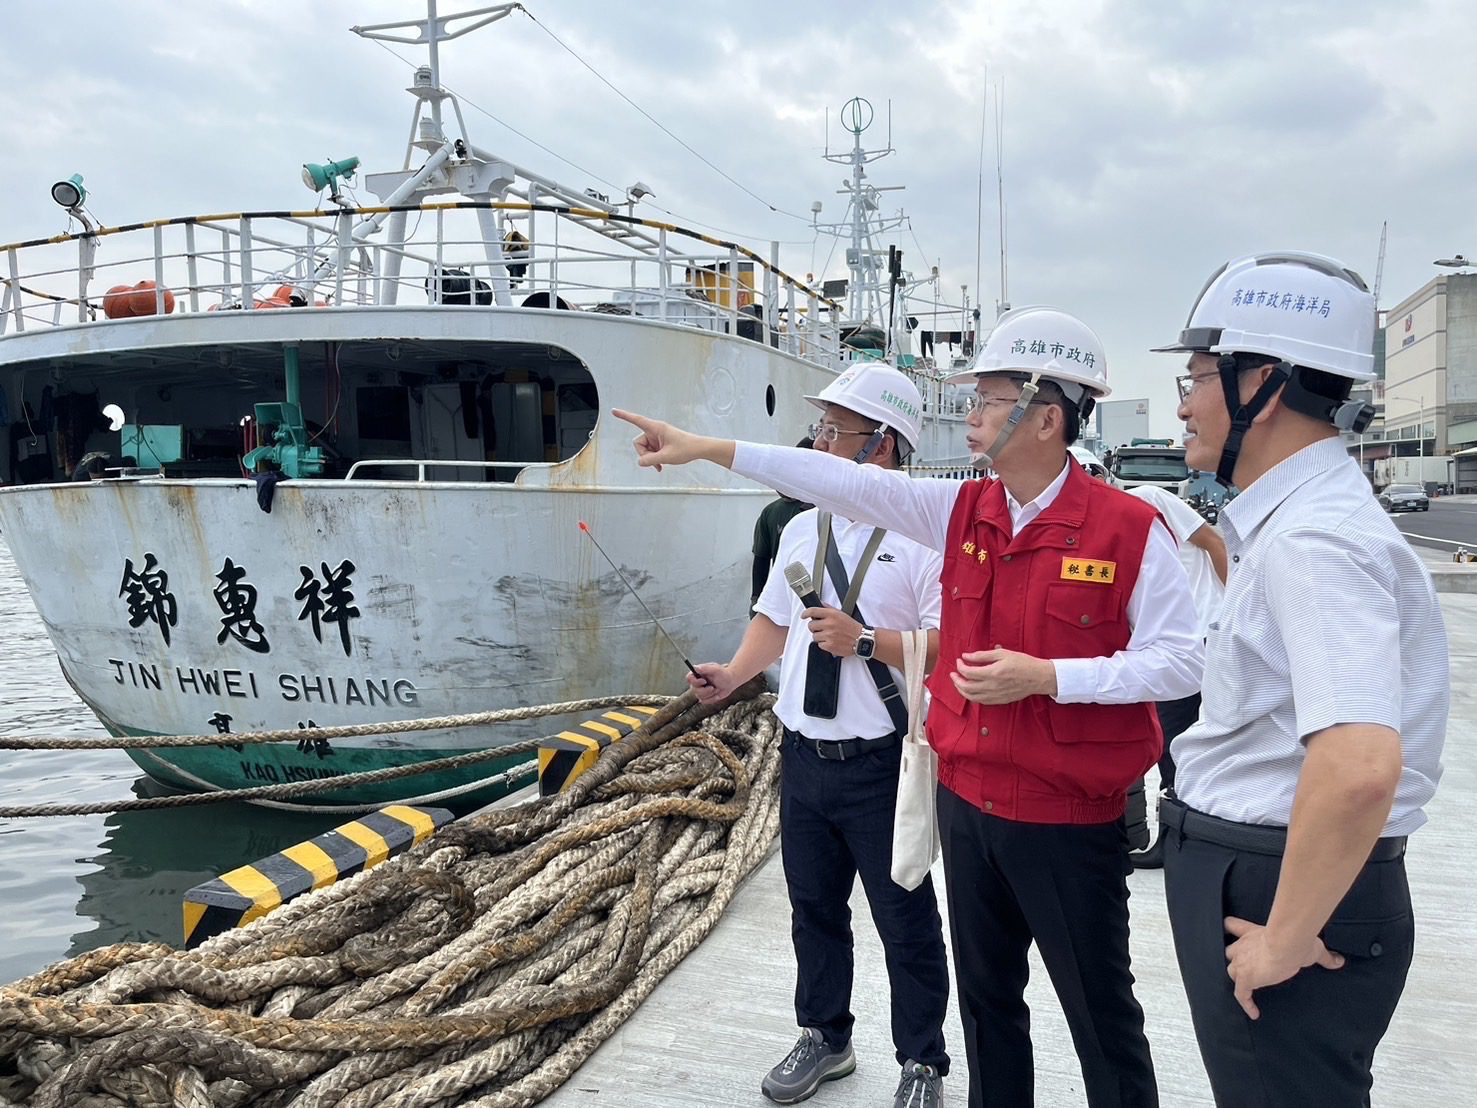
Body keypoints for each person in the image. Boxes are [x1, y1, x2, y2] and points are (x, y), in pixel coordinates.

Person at [615, 305, 1203, 1108]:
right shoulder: (959, 512)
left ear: (1046, 417)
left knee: (1098, 1010)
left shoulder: (1129, 528)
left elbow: (1183, 661)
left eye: (989, 399)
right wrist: (706, 449)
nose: (970, 416)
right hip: (967, 803)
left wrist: (1051, 676)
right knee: (990, 1007)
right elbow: (840, 481)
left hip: (1068, 816)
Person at [1153, 251, 1448, 1105]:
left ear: (1264, 384)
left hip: (1281, 882)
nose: (1182, 402)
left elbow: (1358, 766)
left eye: (1199, 375)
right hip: (1274, 870)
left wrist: (1285, 936)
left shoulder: (1314, 542)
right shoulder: (1294, 523)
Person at [686, 364, 951, 1108]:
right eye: (822, 428)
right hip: (802, 758)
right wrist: (734, 675)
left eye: (837, 431)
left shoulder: (924, 537)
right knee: (813, 910)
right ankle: (826, 1036)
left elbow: (947, 644)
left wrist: (866, 640)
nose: (819, 442)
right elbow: (773, 621)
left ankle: (923, 1060)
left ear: (882, 448)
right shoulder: (802, 527)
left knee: (905, 919)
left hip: (881, 763)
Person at [1120, 482, 1228, 868]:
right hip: (1170, 642)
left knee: (1170, 739)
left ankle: (1177, 837)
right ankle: (1183, 833)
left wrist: (1234, 611)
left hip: (1196, 634)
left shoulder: (1147, 498)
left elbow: (1213, 542)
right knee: (1182, 739)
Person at [750, 435, 815, 611]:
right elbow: (761, 559)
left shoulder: (828, 512)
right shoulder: (771, 512)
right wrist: (756, 598)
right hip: (782, 603)